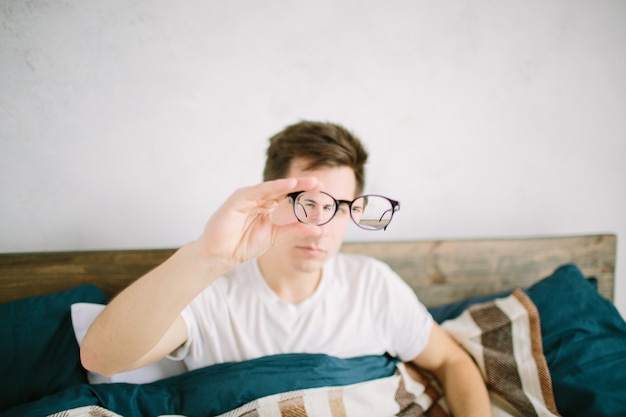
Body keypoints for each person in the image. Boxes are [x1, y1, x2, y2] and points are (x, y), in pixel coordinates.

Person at [81, 121, 491, 416]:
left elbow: (452, 363)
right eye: (307, 204)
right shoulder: (211, 289)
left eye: (339, 208)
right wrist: (208, 254)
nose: (322, 228)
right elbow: (101, 357)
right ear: (271, 198)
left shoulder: (372, 283)